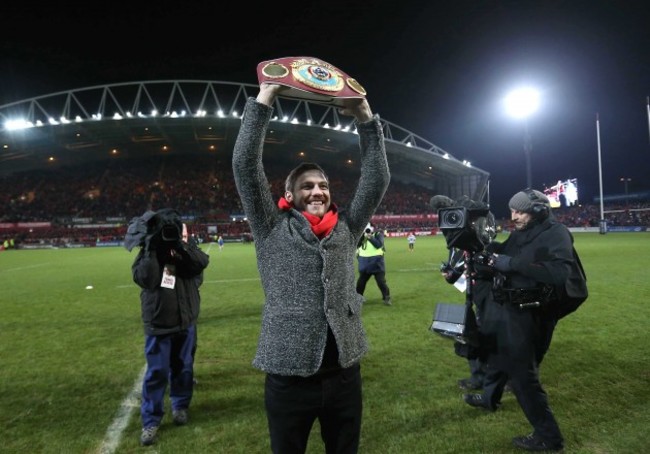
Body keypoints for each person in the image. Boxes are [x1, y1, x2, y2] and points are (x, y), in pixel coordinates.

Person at [232, 82, 390, 454]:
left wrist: (365, 117)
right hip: (289, 377)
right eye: (307, 186)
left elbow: (377, 179)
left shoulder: (347, 228)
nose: (318, 191)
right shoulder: (271, 227)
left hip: (345, 375)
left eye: (323, 185)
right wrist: (265, 98)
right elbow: (244, 165)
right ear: (289, 196)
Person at [462, 189, 577, 452]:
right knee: (497, 354)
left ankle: (550, 438)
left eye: (520, 211)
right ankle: (490, 399)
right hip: (512, 307)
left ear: (538, 211)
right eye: (512, 210)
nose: (514, 216)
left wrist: (510, 263)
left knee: (523, 377)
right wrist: (479, 250)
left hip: (534, 313)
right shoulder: (520, 232)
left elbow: (559, 273)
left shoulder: (556, 233)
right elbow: (500, 256)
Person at [127, 210, 210, 446]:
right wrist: (153, 248)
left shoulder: (188, 250)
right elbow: (146, 279)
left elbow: (200, 265)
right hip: (159, 324)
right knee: (157, 373)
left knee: (184, 368)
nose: (174, 235)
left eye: (180, 231)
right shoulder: (148, 254)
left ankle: (180, 405)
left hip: (185, 322)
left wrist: (182, 247)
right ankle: (151, 420)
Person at [356, 222, 391, 306]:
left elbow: (378, 245)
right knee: (361, 283)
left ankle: (386, 297)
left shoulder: (378, 234)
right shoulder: (361, 236)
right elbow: (357, 245)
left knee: (381, 282)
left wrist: (370, 237)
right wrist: (362, 236)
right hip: (365, 264)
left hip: (377, 264)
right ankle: (358, 297)